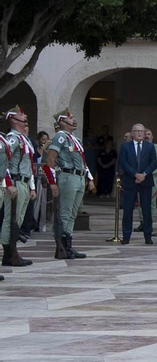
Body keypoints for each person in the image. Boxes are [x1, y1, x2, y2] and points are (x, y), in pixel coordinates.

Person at [45, 110, 91, 260]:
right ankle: (62, 246)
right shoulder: (60, 136)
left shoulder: (74, 139)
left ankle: (68, 244)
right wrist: (52, 182)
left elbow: (82, 161)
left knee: (72, 214)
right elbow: (50, 159)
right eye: (70, 118)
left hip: (79, 176)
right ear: (62, 122)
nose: (74, 120)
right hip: (68, 176)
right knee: (65, 213)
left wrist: (88, 178)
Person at [2, 107, 36, 268]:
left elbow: (29, 165)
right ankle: (8, 254)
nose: (25, 115)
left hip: (24, 182)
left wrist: (31, 187)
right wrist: (8, 184)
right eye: (21, 114)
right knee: (11, 219)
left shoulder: (23, 138)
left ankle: (13, 251)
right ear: (14, 120)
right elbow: (4, 162)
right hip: (15, 181)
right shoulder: (12, 139)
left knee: (18, 220)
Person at [117, 123, 157, 245]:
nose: (140, 133)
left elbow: (153, 163)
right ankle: (126, 236)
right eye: (137, 131)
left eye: (142, 131)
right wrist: (135, 174)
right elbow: (123, 163)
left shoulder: (150, 147)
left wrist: (143, 175)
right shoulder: (125, 146)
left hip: (146, 181)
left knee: (146, 210)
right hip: (130, 181)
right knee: (128, 210)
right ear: (132, 133)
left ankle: (148, 236)